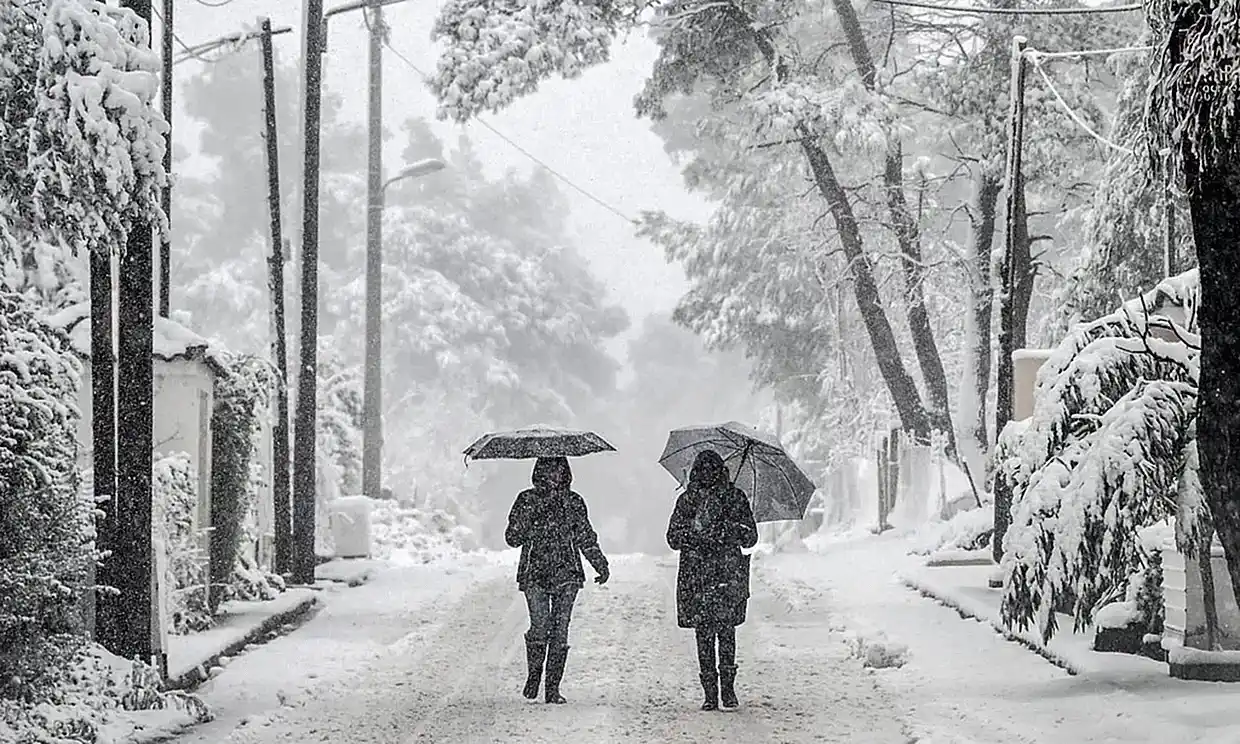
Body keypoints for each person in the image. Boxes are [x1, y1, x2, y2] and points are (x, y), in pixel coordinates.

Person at [505, 456, 610, 704]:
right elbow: (512, 537)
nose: (554, 476)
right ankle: (534, 674)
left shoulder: (573, 502)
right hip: (535, 574)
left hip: (567, 575)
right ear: (539, 473)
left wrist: (600, 563)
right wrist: (535, 511)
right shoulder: (526, 500)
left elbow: (585, 535)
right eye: (549, 471)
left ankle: (552, 688)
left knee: (560, 630)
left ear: (566, 473)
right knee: (540, 626)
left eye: (559, 471)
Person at [666, 449, 759, 711]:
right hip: (697, 578)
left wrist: (728, 527)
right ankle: (710, 693)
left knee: (726, 632)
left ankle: (728, 691)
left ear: (720, 471)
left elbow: (751, 537)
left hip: (726, 577)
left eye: (711, 470)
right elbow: (672, 538)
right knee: (704, 635)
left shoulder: (734, 498)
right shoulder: (687, 501)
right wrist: (695, 533)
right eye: (702, 470)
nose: (707, 475)